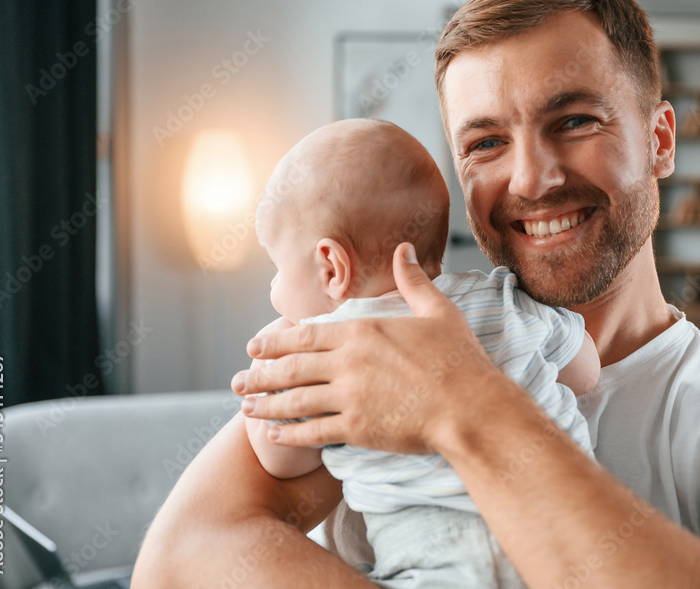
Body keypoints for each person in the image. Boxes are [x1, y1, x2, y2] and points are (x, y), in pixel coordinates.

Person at [135, 0, 700, 588]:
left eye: (575, 121)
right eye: (486, 141)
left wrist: (468, 406)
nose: (533, 179)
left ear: (660, 140)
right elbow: (175, 564)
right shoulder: (379, 338)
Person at [246, 118, 599, 587]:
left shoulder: (323, 352)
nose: (274, 287)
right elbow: (584, 371)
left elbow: (280, 459)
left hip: (433, 569)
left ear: (332, 267)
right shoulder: (504, 299)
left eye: (277, 270)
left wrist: (271, 354)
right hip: (569, 551)